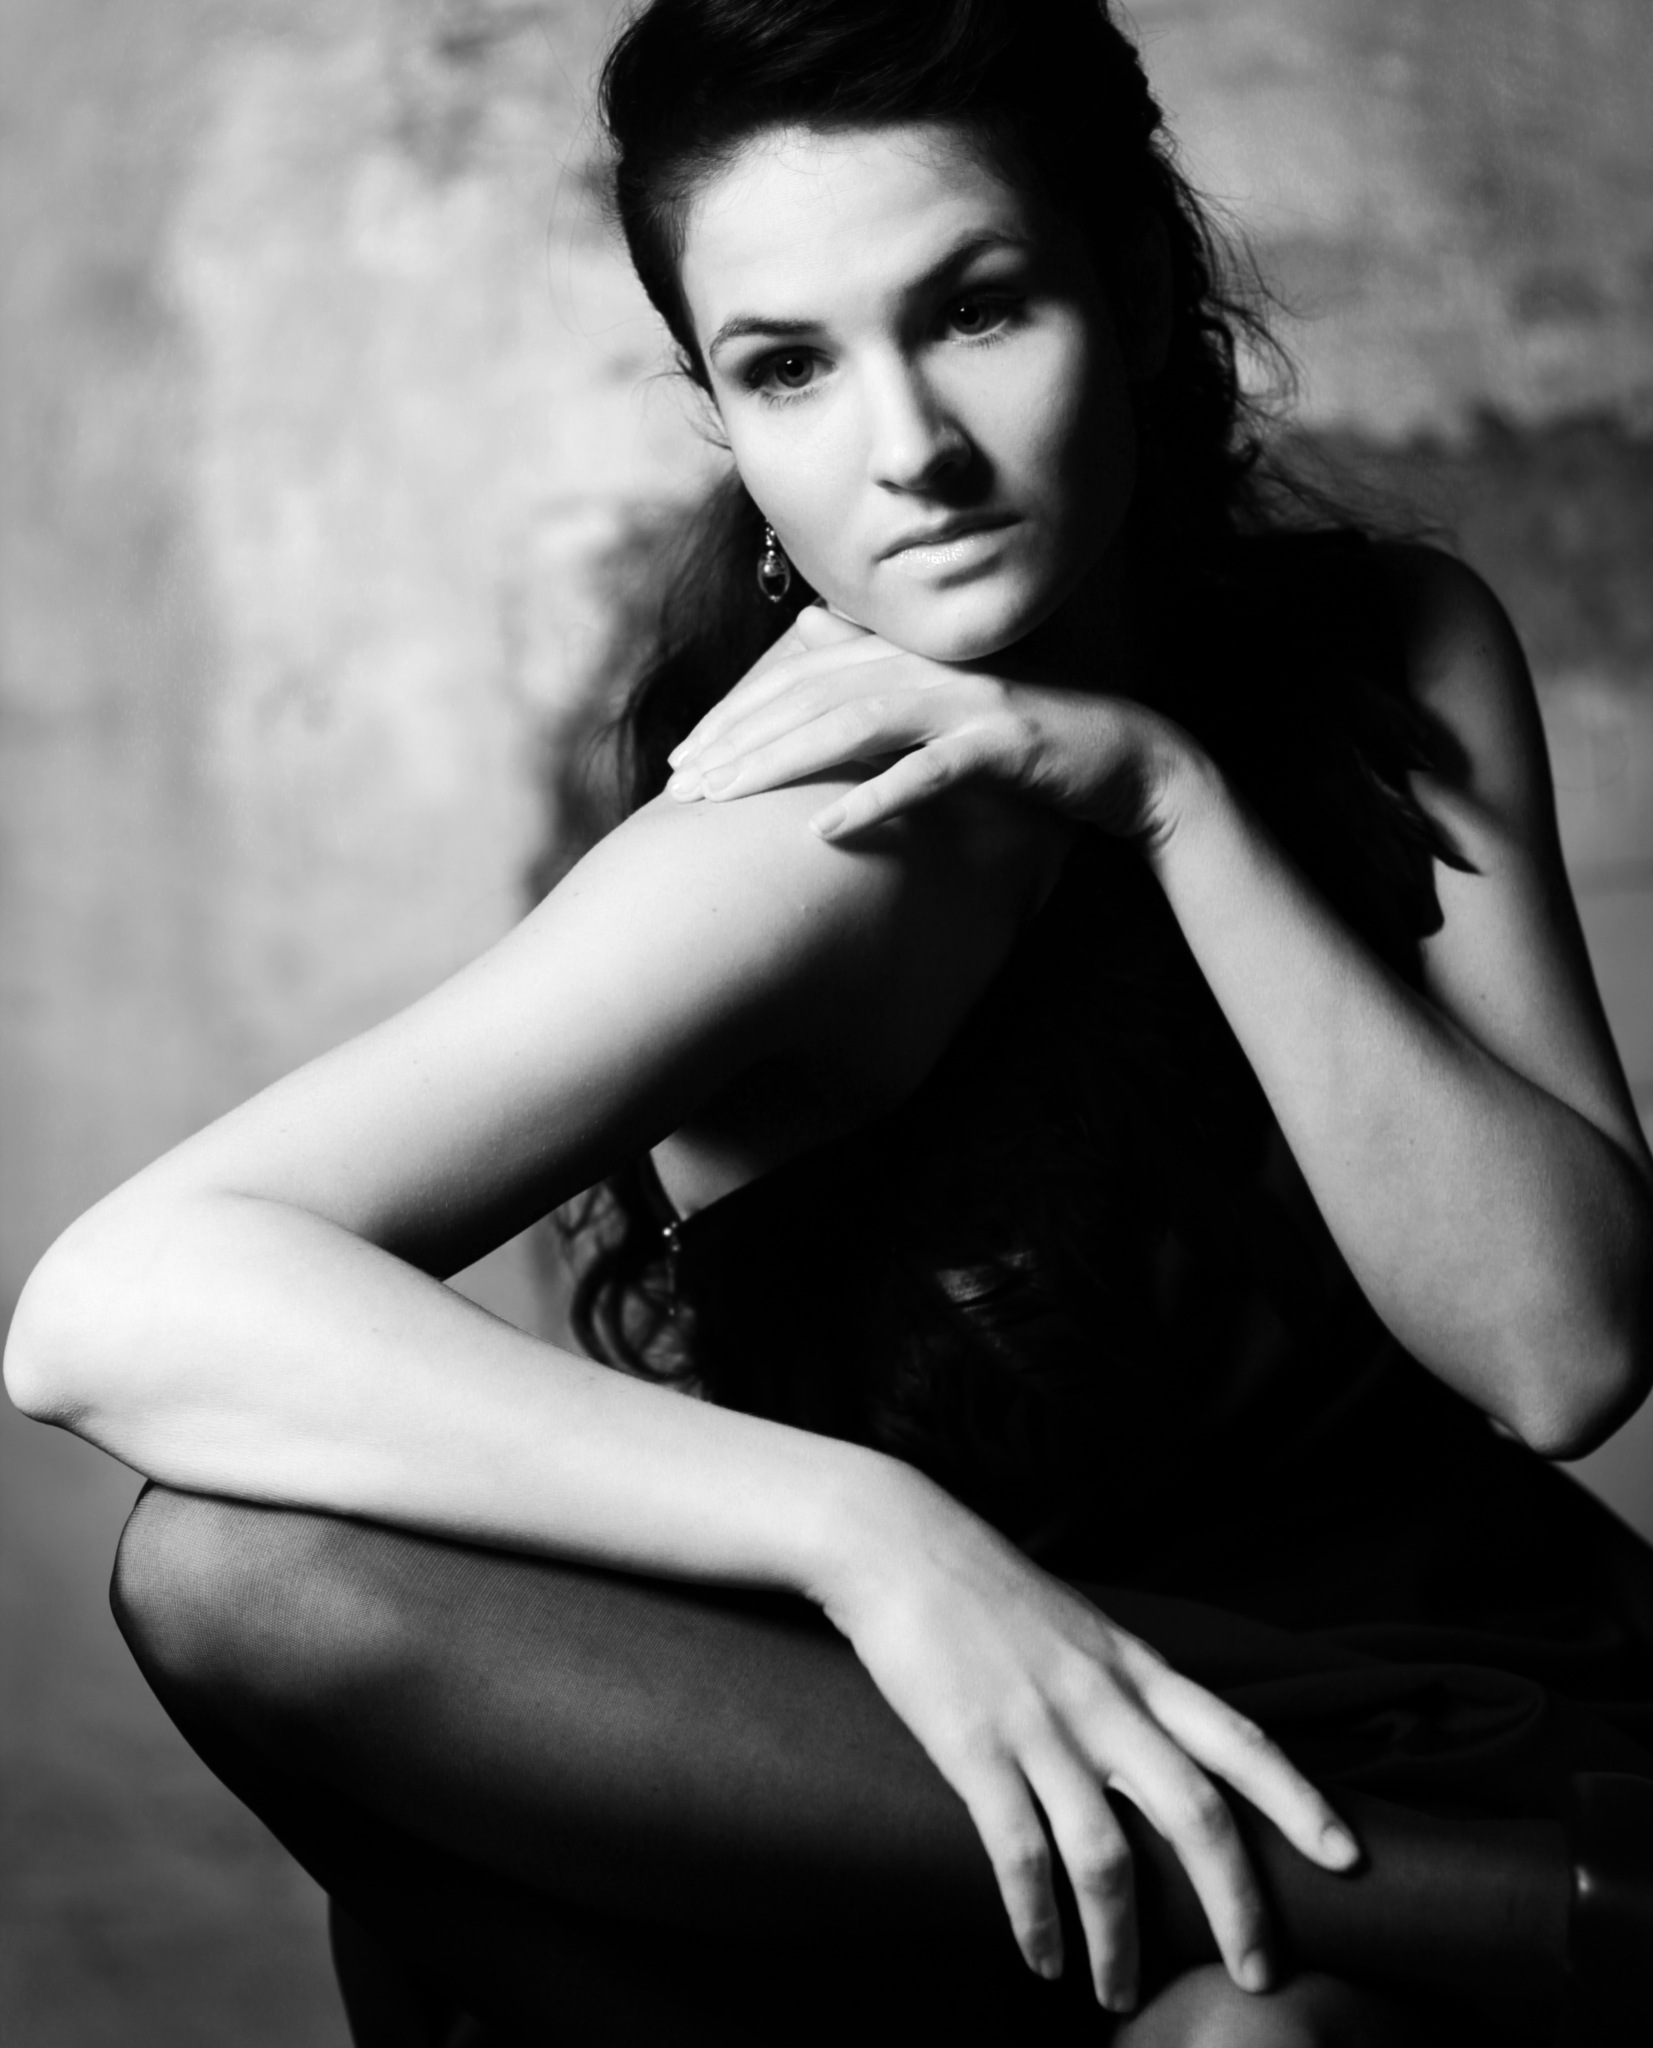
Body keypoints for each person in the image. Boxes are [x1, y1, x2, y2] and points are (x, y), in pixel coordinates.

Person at [6, 0, 1653, 2040]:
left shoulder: (1386, 644)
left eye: (974, 310)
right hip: (947, 1777)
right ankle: (1531, 1916)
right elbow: (104, 1311)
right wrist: (863, 1532)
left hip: (1461, 1698)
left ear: (1137, 290)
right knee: (230, 1571)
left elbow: (1559, 1354)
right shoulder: (807, 836)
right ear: (718, 406)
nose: (909, 450)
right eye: (786, 365)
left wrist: (1168, 801)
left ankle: (1504, 1904)